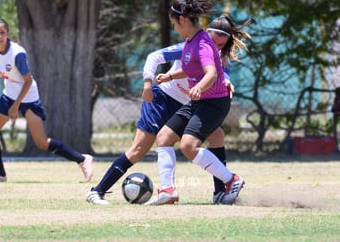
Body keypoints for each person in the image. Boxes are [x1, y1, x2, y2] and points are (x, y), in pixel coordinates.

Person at [86, 14, 248, 205]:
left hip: (189, 103)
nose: (216, 47)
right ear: (206, 35)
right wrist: (148, 82)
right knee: (139, 149)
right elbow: (153, 56)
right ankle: (98, 191)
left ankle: (220, 192)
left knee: (216, 135)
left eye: (221, 45)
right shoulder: (191, 46)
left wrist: (227, 83)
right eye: (213, 41)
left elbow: (220, 75)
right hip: (163, 99)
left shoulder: (220, 58)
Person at [146, 0, 244, 205]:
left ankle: (231, 180)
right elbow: (192, 68)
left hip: (214, 102)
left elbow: (211, 73)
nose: (174, 28)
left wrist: (199, 87)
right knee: (164, 137)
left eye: (174, 23)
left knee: (188, 147)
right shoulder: (190, 41)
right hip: (200, 101)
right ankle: (168, 190)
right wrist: (171, 75)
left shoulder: (203, 44)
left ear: (182, 20)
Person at [0, 18, 93, 183]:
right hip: (10, 94)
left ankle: (82, 159)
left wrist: (16, 106)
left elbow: (28, 81)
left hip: (28, 96)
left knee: (42, 143)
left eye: (2, 32)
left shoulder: (17, 53)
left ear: (8, 33)